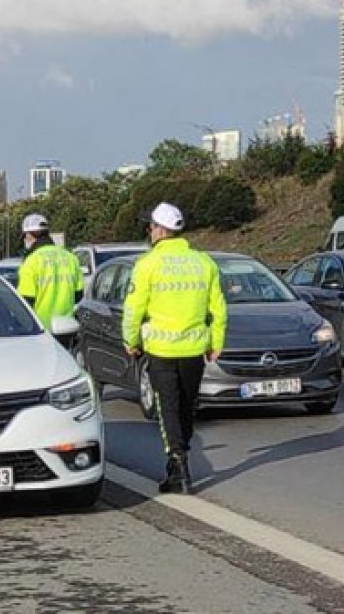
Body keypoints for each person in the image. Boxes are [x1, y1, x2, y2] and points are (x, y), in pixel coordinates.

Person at [122, 202, 227, 494]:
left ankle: (178, 465)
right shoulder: (204, 262)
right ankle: (180, 459)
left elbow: (133, 309)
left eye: (151, 227)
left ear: (159, 230)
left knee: (167, 408)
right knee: (185, 407)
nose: (149, 232)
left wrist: (131, 341)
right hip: (194, 349)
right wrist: (216, 342)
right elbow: (218, 308)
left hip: (161, 350)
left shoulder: (147, 265)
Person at [16, 214, 83, 344]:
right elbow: (78, 295)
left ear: (29, 235)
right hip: (67, 329)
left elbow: (26, 301)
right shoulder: (70, 258)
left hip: (40, 331)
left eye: (24, 236)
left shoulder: (31, 262)